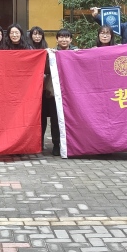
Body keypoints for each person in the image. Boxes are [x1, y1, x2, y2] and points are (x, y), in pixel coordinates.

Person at [47, 28, 77, 156]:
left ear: (71, 39)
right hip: (55, 92)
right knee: (55, 119)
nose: (64, 39)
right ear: (57, 39)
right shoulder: (51, 53)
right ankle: (56, 144)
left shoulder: (77, 53)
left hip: (73, 93)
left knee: (73, 119)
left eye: (66, 37)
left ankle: (72, 144)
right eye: (61, 37)